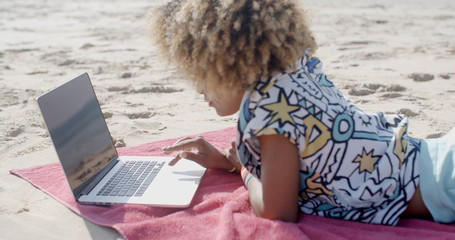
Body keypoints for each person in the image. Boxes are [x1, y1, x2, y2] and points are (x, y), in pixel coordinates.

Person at [148, 0, 455, 225]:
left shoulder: (270, 114)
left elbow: (276, 212)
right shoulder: (293, 65)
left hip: (445, 181)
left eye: (202, 72)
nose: (199, 88)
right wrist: (231, 163)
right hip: (437, 155)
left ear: (230, 62)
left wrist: (243, 169)